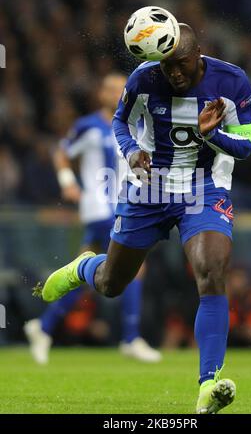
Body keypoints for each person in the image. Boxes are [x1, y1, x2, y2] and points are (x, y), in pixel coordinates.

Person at [39, 23, 251, 414]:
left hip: (203, 189)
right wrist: (132, 152)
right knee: (111, 284)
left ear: (198, 56)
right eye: (166, 65)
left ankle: (208, 385)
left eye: (182, 65)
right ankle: (84, 268)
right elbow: (120, 122)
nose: (174, 73)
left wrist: (213, 136)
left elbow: (246, 145)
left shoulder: (233, 81)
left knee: (211, 272)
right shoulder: (143, 77)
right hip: (149, 189)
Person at [25, 73, 161, 364]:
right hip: (101, 207)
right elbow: (60, 152)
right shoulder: (89, 126)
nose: (114, 93)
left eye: (119, 88)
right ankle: (130, 338)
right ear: (100, 93)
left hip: (124, 204)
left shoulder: (137, 126)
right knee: (135, 268)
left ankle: (44, 326)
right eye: (109, 88)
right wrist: (67, 181)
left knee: (88, 272)